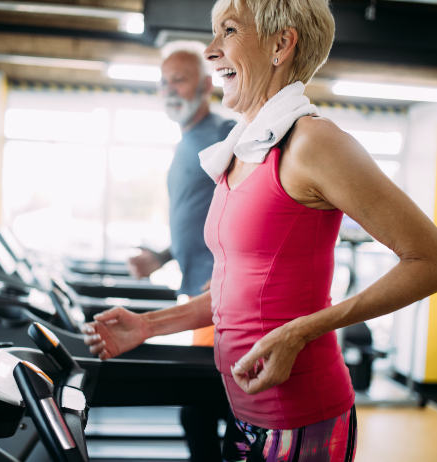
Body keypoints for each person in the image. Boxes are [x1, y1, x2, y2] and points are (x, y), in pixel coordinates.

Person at [84, 0, 437, 460]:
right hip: (245, 409)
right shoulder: (244, 149)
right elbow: (238, 291)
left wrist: (300, 332)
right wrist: (147, 326)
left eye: (227, 31)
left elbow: (427, 259)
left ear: (281, 44)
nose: (212, 51)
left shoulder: (313, 143)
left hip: (301, 414)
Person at [127, 42, 236, 462]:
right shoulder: (187, 141)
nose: (170, 89)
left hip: (222, 298)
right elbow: (200, 220)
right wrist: (162, 257)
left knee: (204, 407)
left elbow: (250, 209)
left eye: (180, 79)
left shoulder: (223, 135)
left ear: (207, 85)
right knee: (201, 408)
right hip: (199, 296)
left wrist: (231, 268)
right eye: (163, 81)